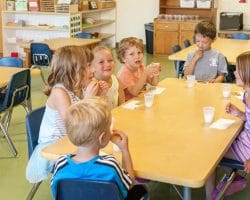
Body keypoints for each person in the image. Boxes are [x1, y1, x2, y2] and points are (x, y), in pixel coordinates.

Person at [206, 52, 250, 200]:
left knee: (210, 155)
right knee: (221, 142)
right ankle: (233, 177)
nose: (234, 72)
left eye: (238, 70)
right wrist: (240, 114)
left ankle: (212, 196)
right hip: (249, 140)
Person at [26, 46, 100, 183]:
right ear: (74, 70)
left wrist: (99, 94)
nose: (93, 70)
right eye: (88, 66)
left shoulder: (77, 88)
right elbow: (75, 126)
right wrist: (88, 100)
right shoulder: (59, 92)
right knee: (97, 158)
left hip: (72, 140)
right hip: (54, 147)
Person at [51, 97, 147, 199]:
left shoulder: (60, 164)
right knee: (141, 190)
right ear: (101, 138)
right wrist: (124, 150)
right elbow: (130, 183)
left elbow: (57, 193)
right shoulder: (110, 165)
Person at [117, 37, 161, 101]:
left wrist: (155, 71)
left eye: (139, 52)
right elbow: (134, 92)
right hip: (129, 104)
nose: (137, 56)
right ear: (123, 58)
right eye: (132, 54)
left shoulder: (141, 67)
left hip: (140, 99)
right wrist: (145, 73)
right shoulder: (124, 73)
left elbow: (154, 83)